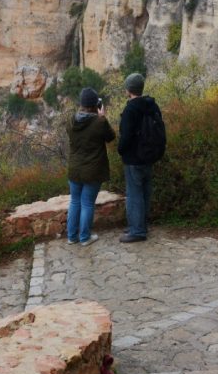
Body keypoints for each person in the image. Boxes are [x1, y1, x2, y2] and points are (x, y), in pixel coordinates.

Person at [66, 87, 115, 246]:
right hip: (93, 170)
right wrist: (102, 117)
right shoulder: (99, 122)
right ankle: (85, 237)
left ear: (80, 103)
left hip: (74, 169)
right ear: (96, 104)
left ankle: (72, 237)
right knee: (87, 203)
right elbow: (111, 137)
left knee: (75, 202)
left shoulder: (71, 121)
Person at [116, 72, 160, 243]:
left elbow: (125, 136)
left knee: (134, 194)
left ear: (129, 89)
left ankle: (137, 231)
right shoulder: (152, 105)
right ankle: (140, 225)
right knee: (145, 192)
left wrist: (120, 150)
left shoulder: (130, 109)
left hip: (133, 158)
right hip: (149, 155)